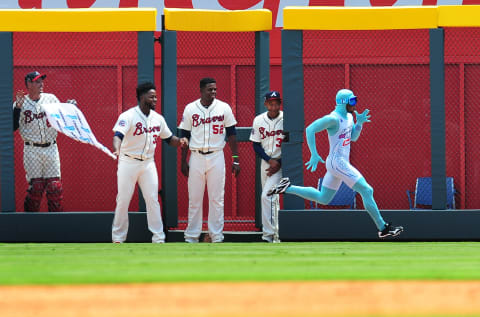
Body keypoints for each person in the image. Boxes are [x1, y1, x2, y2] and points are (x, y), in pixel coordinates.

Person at [268, 89, 404, 238]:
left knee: (323, 198)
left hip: (338, 163)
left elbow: (353, 137)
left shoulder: (349, 117)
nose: (355, 104)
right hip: (337, 162)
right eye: (352, 101)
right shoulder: (333, 119)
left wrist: (359, 124)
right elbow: (310, 129)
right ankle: (383, 227)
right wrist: (314, 153)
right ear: (343, 102)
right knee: (367, 190)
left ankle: (287, 188)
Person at [111, 82, 188, 243]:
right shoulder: (128, 116)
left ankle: (158, 238)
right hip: (128, 162)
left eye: (156, 97)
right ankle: (118, 238)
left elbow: (168, 139)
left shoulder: (157, 118)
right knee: (123, 200)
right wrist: (117, 149)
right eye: (151, 96)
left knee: (152, 199)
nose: (155, 99)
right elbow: (118, 135)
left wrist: (180, 141)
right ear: (141, 97)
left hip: (147, 164)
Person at [179, 77, 240, 243]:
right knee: (195, 199)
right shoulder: (191, 108)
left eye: (215, 89)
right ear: (201, 90)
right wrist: (183, 161)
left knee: (217, 199)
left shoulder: (223, 107)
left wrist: (235, 159)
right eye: (209, 89)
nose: (213, 92)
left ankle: (216, 236)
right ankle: (191, 236)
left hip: (216, 156)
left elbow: (232, 134)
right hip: (196, 156)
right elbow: (184, 135)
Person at [13, 71, 76, 212]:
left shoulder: (50, 99)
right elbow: (13, 126)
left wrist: (70, 108)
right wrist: (17, 108)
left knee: (54, 187)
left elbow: (61, 118)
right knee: (36, 188)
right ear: (29, 84)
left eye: (41, 81)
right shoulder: (21, 103)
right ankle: (30, 222)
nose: (41, 84)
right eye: (37, 81)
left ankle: (55, 223)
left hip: (51, 148)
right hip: (32, 149)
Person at [250, 91, 284, 243]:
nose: (274, 105)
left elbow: (291, 143)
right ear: (265, 104)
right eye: (271, 102)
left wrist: (278, 163)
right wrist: (270, 161)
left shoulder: (286, 118)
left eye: (276, 102)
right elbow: (256, 145)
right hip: (267, 163)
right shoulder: (258, 120)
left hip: (282, 163)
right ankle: (275, 234)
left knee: (267, 196)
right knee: (271, 199)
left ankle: (268, 235)